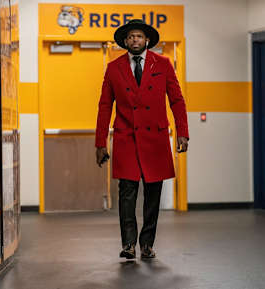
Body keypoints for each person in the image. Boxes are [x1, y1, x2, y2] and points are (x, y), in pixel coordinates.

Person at [95, 19, 189, 260]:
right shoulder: (114, 68)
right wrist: (100, 142)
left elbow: (177, 101)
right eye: (130, 37)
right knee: (127, 192)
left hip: (155, 138)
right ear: (125, 42)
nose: (134, 40)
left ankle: (146, 244)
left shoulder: (164, 65)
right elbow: (105, 105)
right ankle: (128, 244)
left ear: (147, 40)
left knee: (153, 193)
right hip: (126, 137)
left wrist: (182, 132)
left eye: (139, 36)